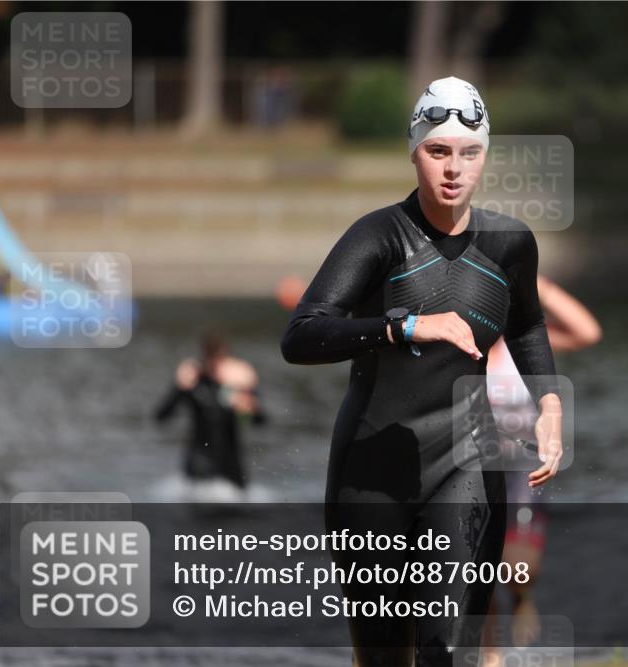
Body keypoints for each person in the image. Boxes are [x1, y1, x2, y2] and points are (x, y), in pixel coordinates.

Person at [280, 75, 564, 667]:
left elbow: (528, 326)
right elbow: (302, 335)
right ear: (415, 152)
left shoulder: (510, 244)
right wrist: (403, 325)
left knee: (452, 650)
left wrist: (551, 406)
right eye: (437, 151)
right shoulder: (379, 237)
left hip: (467, 463)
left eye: (469, 152)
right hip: (373, 469)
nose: (453, 169)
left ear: (485, 154)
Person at [481, 275, 601, 666]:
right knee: (478, 566)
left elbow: (588, 332)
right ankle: (493, 656)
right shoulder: (464, 343)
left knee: (516, 566)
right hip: (475, 464)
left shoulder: (528, 343)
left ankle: (521, 597)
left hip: (523, 465)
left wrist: (538, 286)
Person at [155, 330, 266, 491]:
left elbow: (260, 422)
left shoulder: (237, 383)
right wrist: (179, 388)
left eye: (219, 359)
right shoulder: (193, 383)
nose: (215, 365)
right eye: (211, 358)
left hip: (231, 464)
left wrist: (249, 405)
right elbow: (161, 417)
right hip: (199, 462)